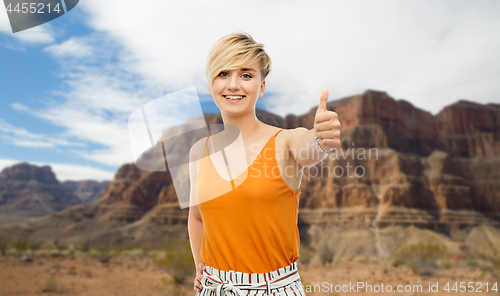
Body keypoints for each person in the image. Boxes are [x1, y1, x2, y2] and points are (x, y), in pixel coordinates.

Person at [188, 31, 341, 296]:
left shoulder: (285, 142)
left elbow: (308, 148)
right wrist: (200, 266)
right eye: (223, 73)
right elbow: (196, 217)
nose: (233, 84)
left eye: (246, 75)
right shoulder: (199, 151)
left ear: (261, 87)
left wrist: (321, 139)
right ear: (211, 84)